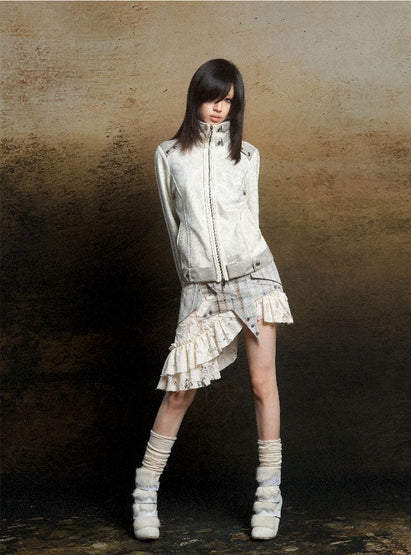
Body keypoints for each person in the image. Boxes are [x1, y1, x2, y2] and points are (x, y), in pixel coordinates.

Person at [132, 59, 293, 542]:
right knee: (179, 391)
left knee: (262, 385)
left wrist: (246, 268)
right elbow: (174, 227)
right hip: (201, 287)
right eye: (212, 98)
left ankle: (269, 495)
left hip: (255, 276)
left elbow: (252, 219)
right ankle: (144, 494)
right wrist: (195, 282)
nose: (220, 109)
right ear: (195, 97)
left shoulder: (247, 156)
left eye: (229, 101)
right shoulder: (168, 156)